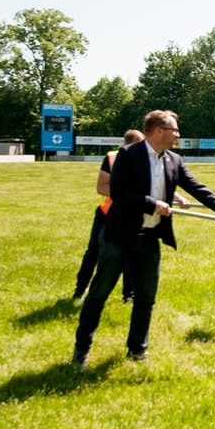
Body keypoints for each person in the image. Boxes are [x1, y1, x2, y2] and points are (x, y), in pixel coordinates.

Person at [72, 111, 215, 368]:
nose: (178, 135)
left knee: (145, 298)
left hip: (149, 239)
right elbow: (118, 192)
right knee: (99, 294)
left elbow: (198, 188)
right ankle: (81, 350)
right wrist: (151, 204)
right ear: (158, 131)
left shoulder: (174, 160)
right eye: (174, 130)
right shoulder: (128, 155)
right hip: (119, 237)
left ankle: (137, 351)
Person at [73, 129, 144, 302]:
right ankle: (80, 289)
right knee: (93, 252)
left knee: (130, 255)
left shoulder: (143, 160)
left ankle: (129, 295)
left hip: (130, 215)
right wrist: (128, 195)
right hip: (106, 214)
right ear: (127, 145)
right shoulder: (113, 158)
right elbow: (101, 188)